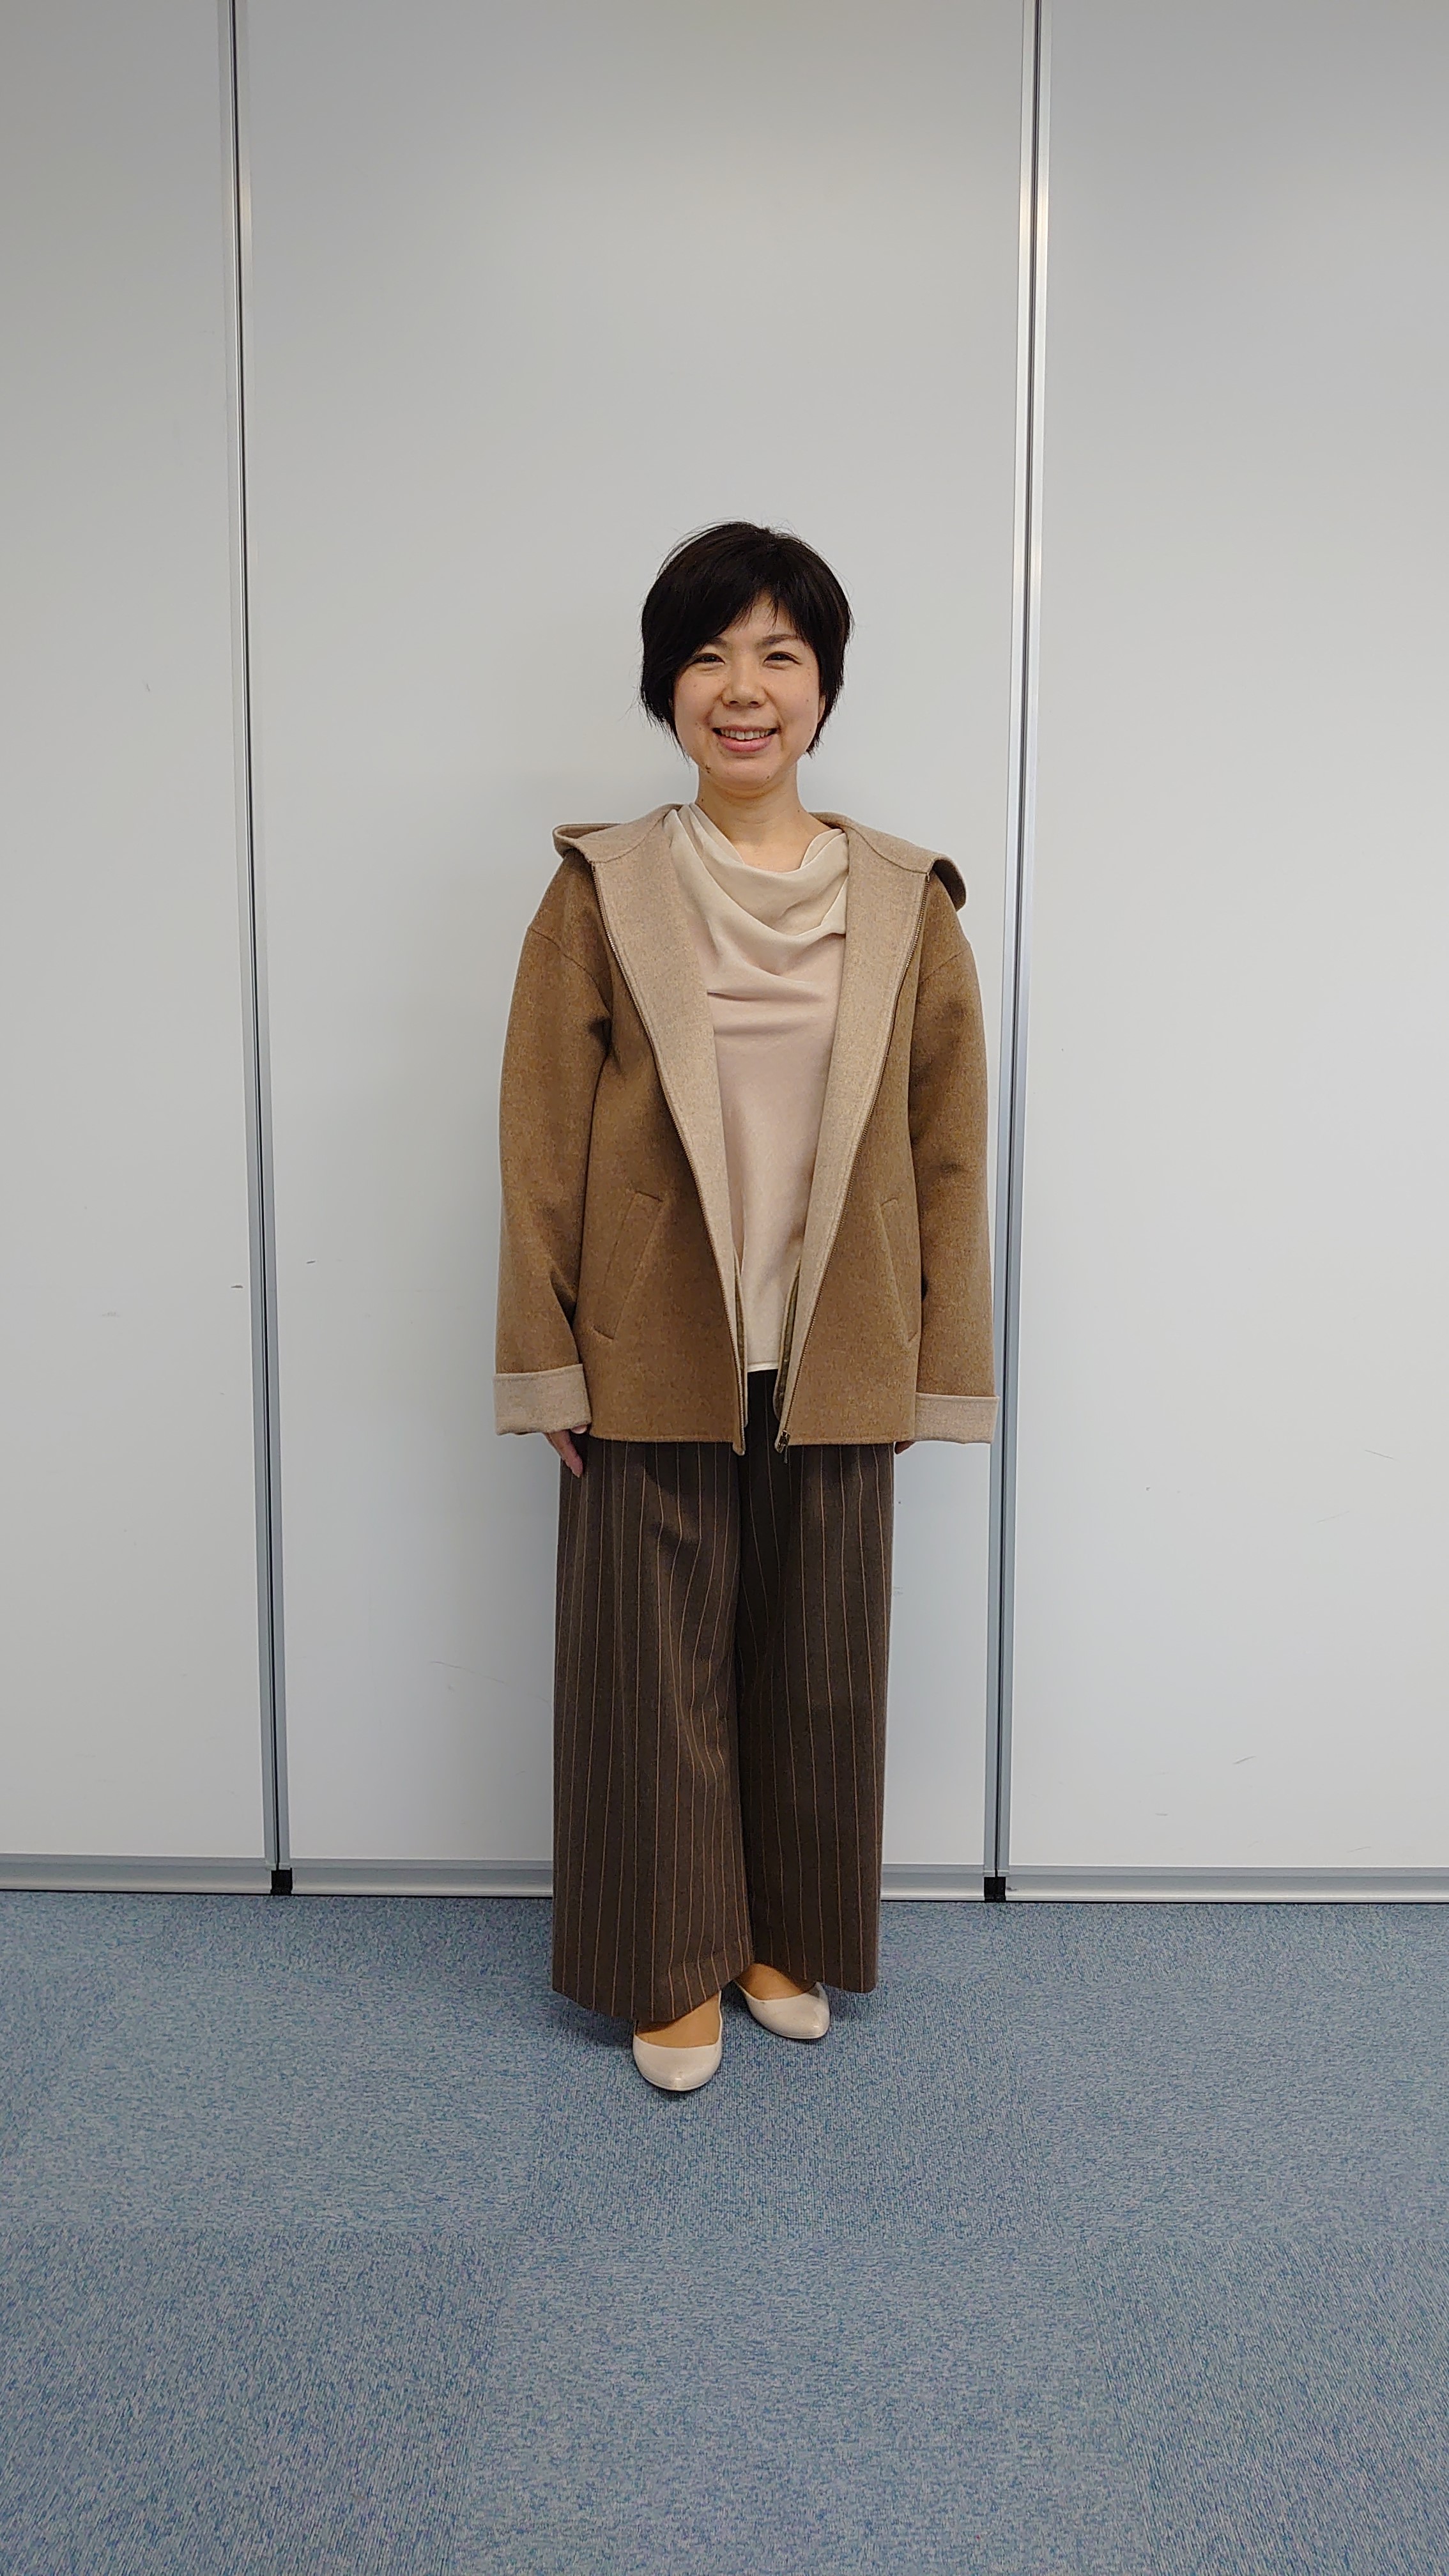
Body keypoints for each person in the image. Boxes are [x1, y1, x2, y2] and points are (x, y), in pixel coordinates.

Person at [494, 521, 995, 2092]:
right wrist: (546, 1364)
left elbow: (950, 1153)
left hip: (840, 1339)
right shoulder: (602, 889)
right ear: (668, 690)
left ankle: (785, 1935)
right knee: (651, 1670)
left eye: (779, 654)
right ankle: (668, 1955)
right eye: (707, 656)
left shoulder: (908, 902)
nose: (742, 689)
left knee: (819, 1661)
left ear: (824, 689)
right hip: (651, 1340)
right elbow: (537, 1144)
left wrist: (939, 1368)